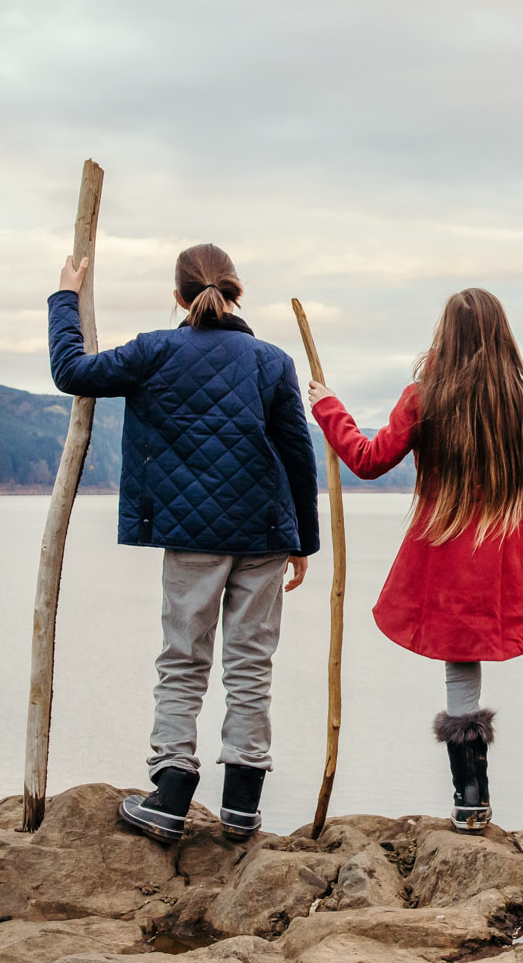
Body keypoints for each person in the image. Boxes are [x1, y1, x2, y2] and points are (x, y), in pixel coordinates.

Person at [307, 287, 523, 834]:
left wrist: (328, 407)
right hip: (508, 552)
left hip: (445, 559)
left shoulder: (424, 398)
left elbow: (368, 460)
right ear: (502, 335)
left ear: (446, 335)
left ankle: (471, 803)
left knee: (459, 660)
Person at [48, 243, 320, 845]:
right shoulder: (271, 361)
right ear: (236, 291)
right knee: (251, 665)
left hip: (192, 534)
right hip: (265, 532)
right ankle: (242, 811)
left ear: (178, 296)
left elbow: (71, 373)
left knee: (183, 661)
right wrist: (303, 539)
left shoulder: (154, 351)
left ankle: (170, 799)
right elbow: (298, 454)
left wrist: (66, 297)